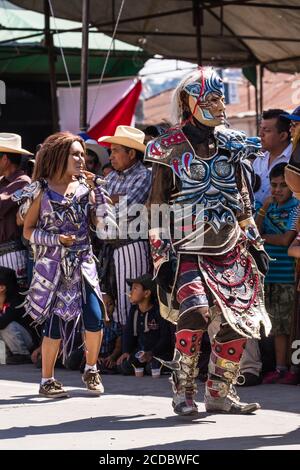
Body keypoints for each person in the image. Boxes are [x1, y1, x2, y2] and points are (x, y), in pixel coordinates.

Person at [145, 68, 271, 415]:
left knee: (237, 322)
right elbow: (154, 209)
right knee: (197, 315)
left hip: (232, 248)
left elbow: (243, 203)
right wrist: (161, 259)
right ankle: (183, 391)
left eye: (221, 98)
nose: (220, 106)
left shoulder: (232, 145)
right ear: (191, 103)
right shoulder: (167, 148)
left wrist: (256, 244)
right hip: (188, 251)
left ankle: (218, 393)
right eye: (212, 99)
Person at [13, 131, 115, 398]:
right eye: (76, 154)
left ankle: (91, 369)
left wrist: (99, 193)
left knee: (94, 317)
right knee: (54, 325)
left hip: (84, 264)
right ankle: (47, 380)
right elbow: (27, 230)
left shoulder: (86, 188)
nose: (82, 159)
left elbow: (100, 225)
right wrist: (55, 239)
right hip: (52, 268)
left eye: (82, 154)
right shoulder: (41, 190)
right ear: (60, 156)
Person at [98, 126, 152, 327]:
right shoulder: (112, 177)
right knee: (113, 297)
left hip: (132, 244)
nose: (111, 156)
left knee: (129, 298)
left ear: (131, 153)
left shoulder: (144, 175)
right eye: (111, 151)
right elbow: (103, 206)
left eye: (115, 151)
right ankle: (119, 347)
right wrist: (107, 202)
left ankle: (128, 347)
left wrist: (104, 202)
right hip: (112, 245)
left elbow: (127, 207)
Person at [255, 163, 299, 383]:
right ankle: (274, 366)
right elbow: (254, 230)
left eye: (283, 185)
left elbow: (285, 240)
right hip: (267, 275)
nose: (278, 190)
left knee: (283, 327)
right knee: (271, 325)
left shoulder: (295, 208)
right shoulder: (268, 206)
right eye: (274, 185)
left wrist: (264, 237)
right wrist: (263, 209)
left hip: (285, 276)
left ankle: (284, 368)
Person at [117, 274, 173, 376]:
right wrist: (126, 351)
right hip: (141, 354)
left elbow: (165, 338)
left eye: (135, 288)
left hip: (158, 354)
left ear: (146, 293)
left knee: (151, 367)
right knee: (124, 366)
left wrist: (152, 353)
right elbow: (128, 333)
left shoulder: (159, 311)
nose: (131, 292)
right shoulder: (134, 311)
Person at [0, 133, 32, 286]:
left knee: (15, 303)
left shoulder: (23, 182)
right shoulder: (3, 182)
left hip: (13, 253)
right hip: (5, 253)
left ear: (5, 159)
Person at [253, 109, 292, 205]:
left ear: (282, 136)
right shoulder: (259, 159)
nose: (260, 134)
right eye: (261, 128)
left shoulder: (294, 160)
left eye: (266, 130)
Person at [0, 266, 38, 364]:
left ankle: (22, 354)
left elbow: (2, 323)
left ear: (2, 288)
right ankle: (12, 353)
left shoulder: (16, 302)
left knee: (8, 326)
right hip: (12, 339)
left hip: (28, 340)